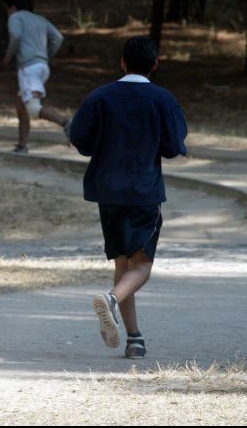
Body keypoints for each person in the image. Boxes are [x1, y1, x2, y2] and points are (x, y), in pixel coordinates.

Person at [69, 36, 187, 359]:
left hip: (107, 192)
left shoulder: (100, 97)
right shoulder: (163, 100)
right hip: (143, 192)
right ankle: (110, 301)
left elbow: (78, 136)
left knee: (123, 262)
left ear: (122, 62)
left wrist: (100, 148)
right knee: (142, 266)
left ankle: (134, 338)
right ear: (155, 65)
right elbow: (175, 145)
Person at [2, 0, 70, 153]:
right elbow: (58, 38)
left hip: (28, 68)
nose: (7, 12)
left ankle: (67, 123)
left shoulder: (15, 17)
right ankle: (22, 145)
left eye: (7, 9)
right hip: (42, 67)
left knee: (32, 107)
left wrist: (8, 57)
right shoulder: (40, 19)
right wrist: (46, 55)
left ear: (12, 7)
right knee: (21, 106)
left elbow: (16, 36)